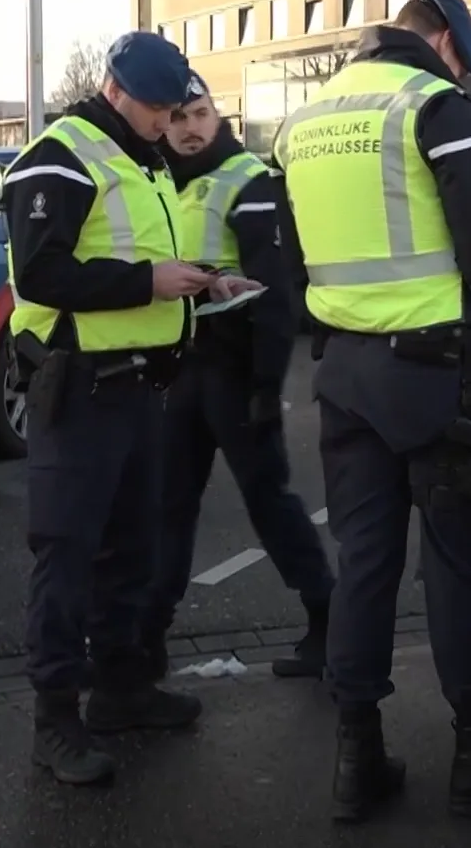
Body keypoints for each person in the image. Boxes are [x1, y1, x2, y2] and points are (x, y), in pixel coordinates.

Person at [273, 0, 471, 824]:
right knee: (455, 568)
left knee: (365, 565)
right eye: (467, 61)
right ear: (446, 41)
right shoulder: (436, 107)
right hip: (436, 379)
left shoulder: (304, 123)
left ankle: (358, 758)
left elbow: (288, 260)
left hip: (343, 377)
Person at [4, 31, 259, 787]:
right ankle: (54, 721)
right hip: (79, 386)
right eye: (155, 108)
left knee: (130, 553)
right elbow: (45, 272)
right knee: (68, 556)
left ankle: (121, 691)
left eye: (172, 106)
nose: (165, 121)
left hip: (139, 385)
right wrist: (150, 283)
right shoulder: (62, 154)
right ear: (118, 91)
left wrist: (204, 282)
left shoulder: (140, 159)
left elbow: (136, 256)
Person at [141, 74, 336, 679]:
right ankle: (146, 641)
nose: (191, 129)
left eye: (200, 114)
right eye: (179, 118)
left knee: (268, 500)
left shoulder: (245, 179)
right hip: (176, 370)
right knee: (167, 507)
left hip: (232, 370)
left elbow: (277, 297)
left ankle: (326, 622)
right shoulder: (155, 178)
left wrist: (264, 386)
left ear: (216, 114)